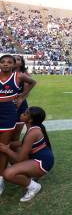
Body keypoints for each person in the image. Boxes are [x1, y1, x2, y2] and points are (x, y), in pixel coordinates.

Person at [0, 55, 37, 197]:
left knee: (3, 147)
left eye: (9, 62)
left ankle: (1, 178)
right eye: (2, 62)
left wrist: (22, 96)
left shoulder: (18, 76)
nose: (5, 64)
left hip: (9, 114)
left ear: (14, 64)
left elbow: (33, 82)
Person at [0, 106, 54, 202]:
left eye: (25, 114)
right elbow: (23, 143)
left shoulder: (33, 132)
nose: (21, 114)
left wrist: (6, 149)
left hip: (42, 163)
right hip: (37, 158)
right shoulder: (33, 127)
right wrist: (9, 145)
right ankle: (28, 175)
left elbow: (19, 159)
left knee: (7, 174)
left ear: (30, 120)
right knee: (12, 149)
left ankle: (34, 187)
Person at [13, 55, 37, 140]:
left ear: (22, 63)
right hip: (7, 103)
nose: (15, 61)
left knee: (16, 134)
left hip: (20, 103)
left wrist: (21, 97)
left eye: (18, 59)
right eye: (14, 59)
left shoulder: (24, 74)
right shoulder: (6, 72)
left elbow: (27, 90)